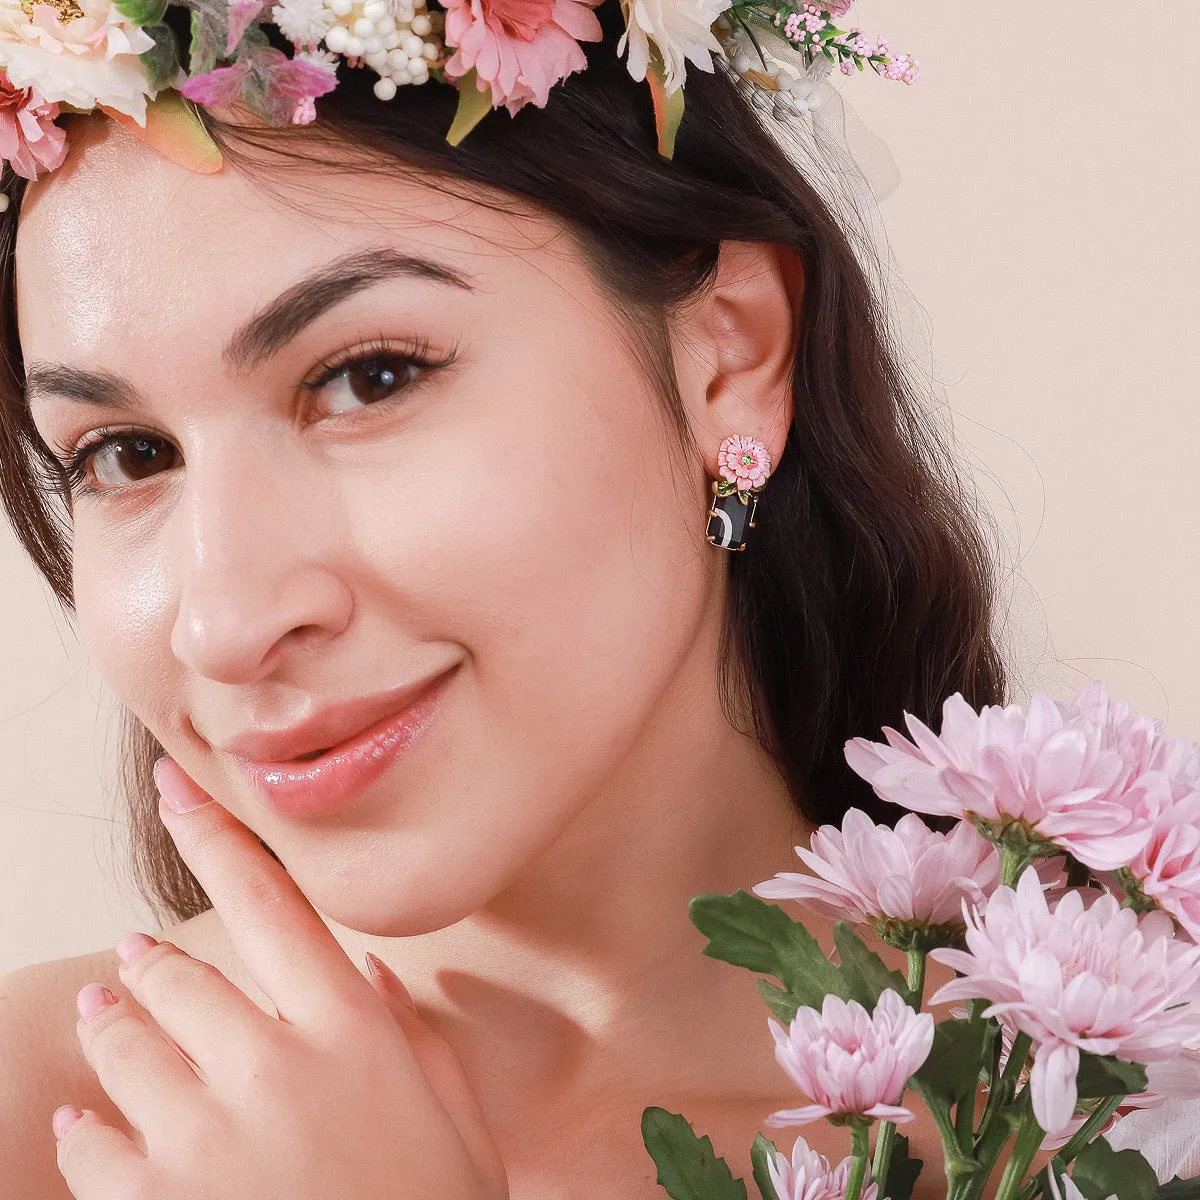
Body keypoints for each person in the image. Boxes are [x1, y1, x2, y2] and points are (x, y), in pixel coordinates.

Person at [0, 2, 1017, 1196]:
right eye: (125, 456)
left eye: (368, 379)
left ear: (728, 360)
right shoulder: (43, 1120)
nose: (226, 621)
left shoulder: (1103, 1119)